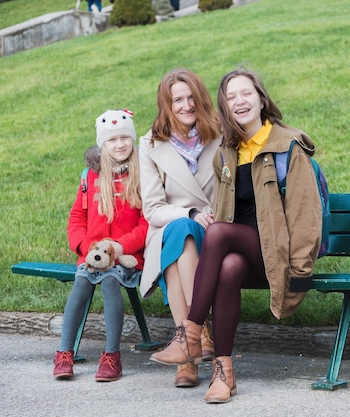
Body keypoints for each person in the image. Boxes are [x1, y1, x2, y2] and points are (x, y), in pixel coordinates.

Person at [150, 68, 323, 403]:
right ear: (224, 108)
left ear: (261, 98)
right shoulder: (227, 153)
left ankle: (190, 333)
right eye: (230, 98)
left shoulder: (288, 146)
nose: (239, 102)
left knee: (217, 234)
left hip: (279, 254)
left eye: (246, 93)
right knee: (227, 265)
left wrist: (301, 272)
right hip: (244, 252)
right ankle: (223, 374)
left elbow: (306, 215)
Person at [139, 68, 222, 387]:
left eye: (191, 98)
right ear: (166, 105)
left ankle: (187, 348)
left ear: (200, 99)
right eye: (177, 100)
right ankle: (197, 334)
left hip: (214, 227)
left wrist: (211, 213)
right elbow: (153, 209)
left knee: (181, 241)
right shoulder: (150, 144)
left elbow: (233, 190)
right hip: (171, 226)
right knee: (179, 234)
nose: (186, 105)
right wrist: (188, 212)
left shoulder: (221, 136)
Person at [53, 109, 148, 382]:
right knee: (82, 282)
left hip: (126, 257)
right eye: (112, 140)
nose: (120, 144)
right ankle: (64, 352)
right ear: (102, 144)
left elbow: (146, 224)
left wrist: (120, 248)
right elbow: (76, 218)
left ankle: (111, 357)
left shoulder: (142, 174)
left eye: (124, 137)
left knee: (109, 282)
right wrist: (85, 248)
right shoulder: (90, 177)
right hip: (92, 255)